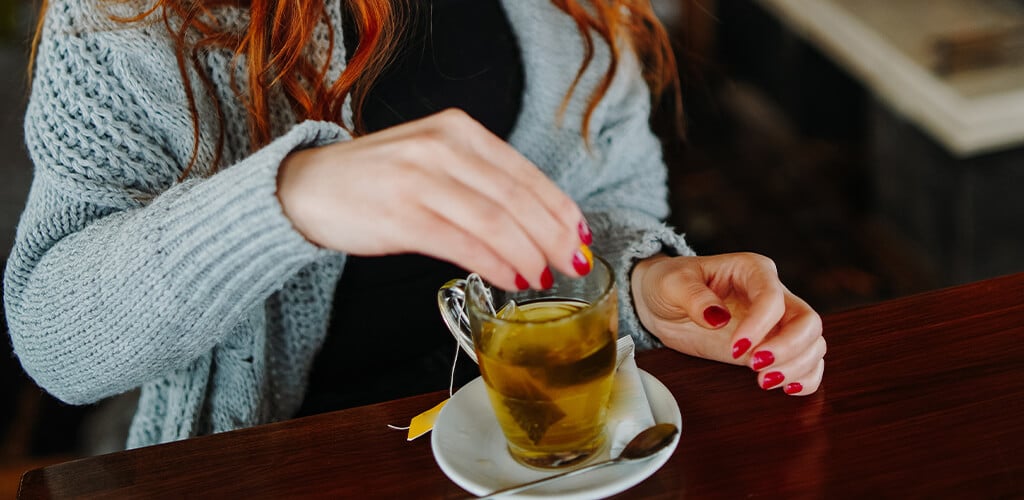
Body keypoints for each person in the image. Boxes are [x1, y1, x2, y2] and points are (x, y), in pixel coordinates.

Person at [5, 0, 825, 449]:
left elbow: (611, 205)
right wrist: (288, 199)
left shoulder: (569, 14)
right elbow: (54, 341)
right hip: (270, 462)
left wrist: (647, 283)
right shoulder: (127, 21)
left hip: (526, 448)